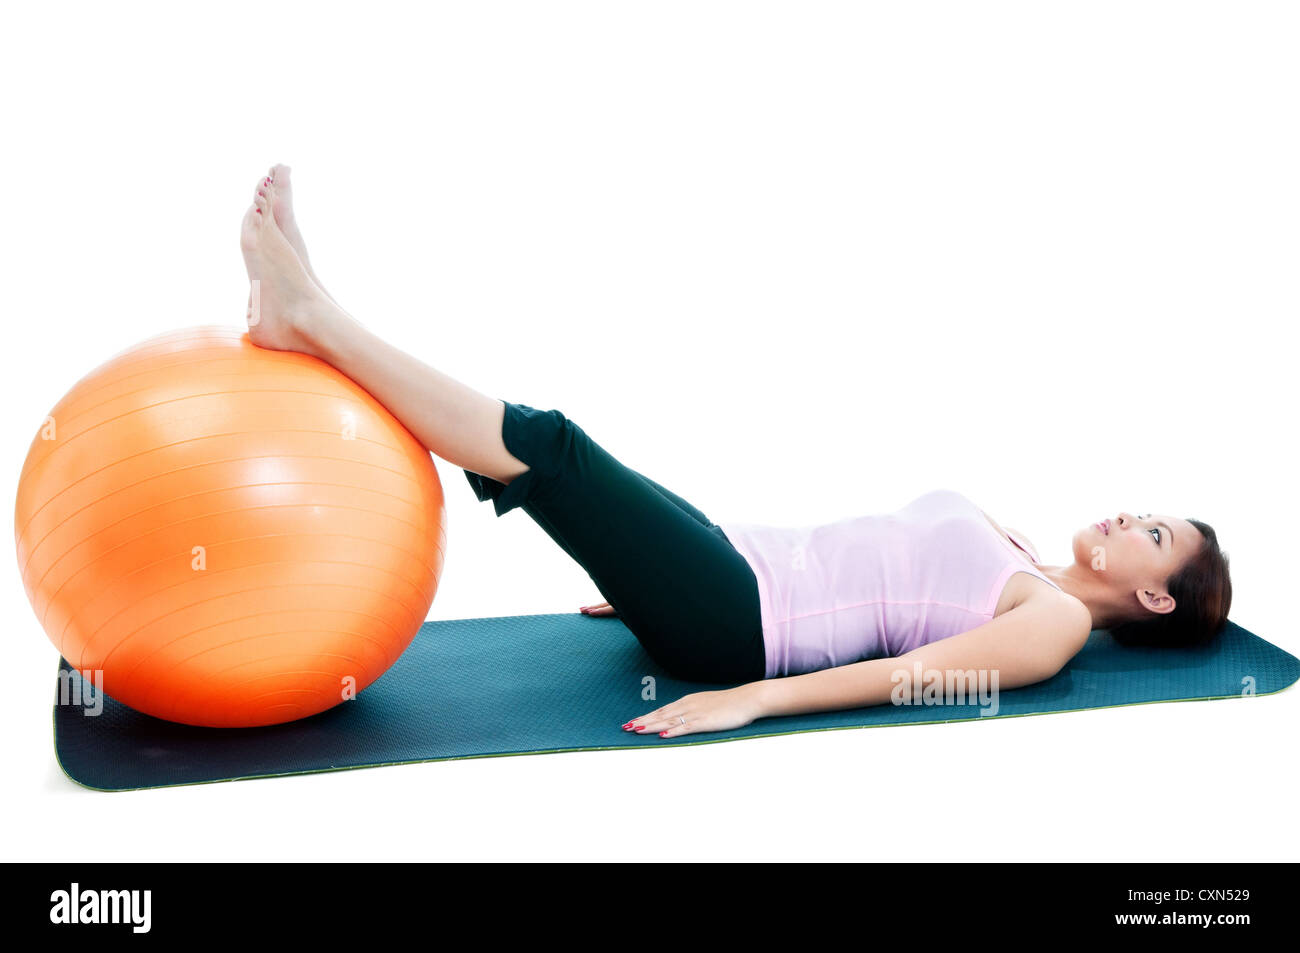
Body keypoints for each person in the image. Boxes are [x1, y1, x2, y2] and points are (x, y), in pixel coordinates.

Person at [240, 166, 1232, 741]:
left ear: (1153, 596)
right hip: (727, 562)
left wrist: (754, 699)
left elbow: (915, 674)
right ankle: (315, 310)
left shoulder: (1051, 621)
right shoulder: (1027, 559)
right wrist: (643, 572)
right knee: (560, 474)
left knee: (552, 446)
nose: (1124, 511)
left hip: (738, 625)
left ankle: (312, 316)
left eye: (1151, 531)